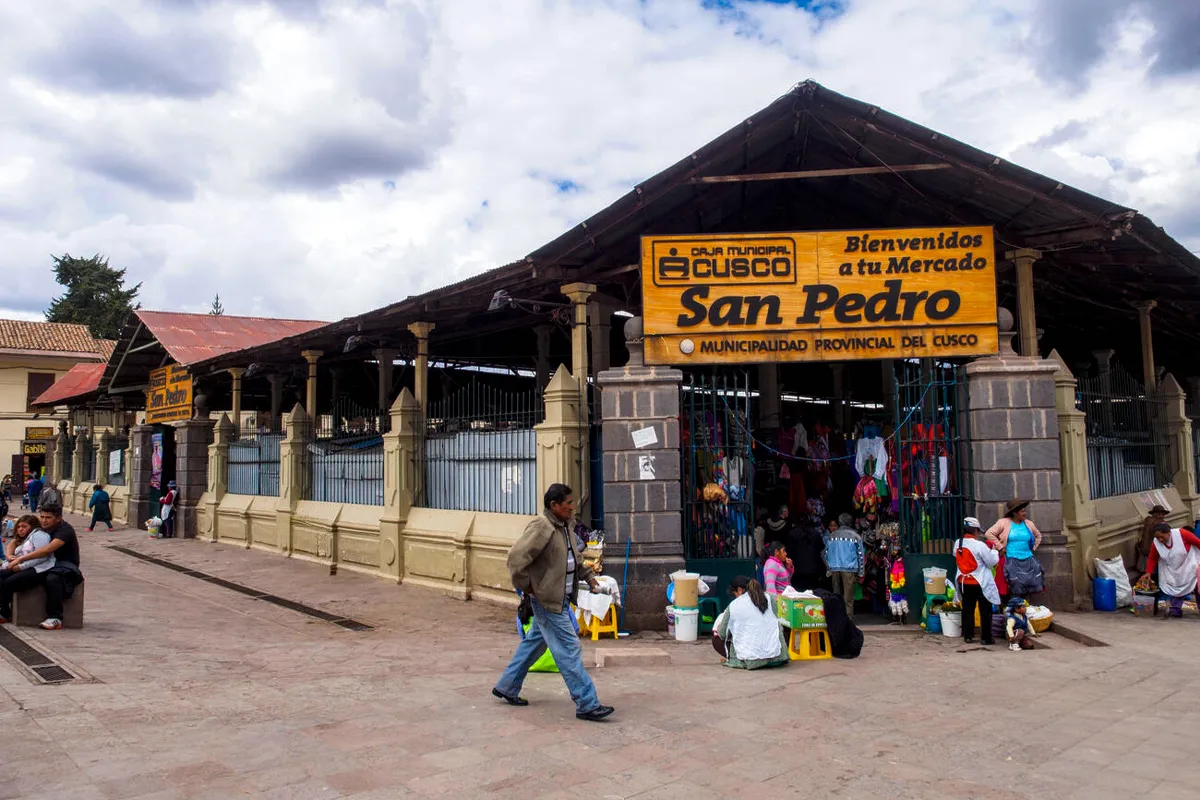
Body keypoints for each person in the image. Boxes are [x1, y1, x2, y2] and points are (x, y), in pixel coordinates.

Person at [493, 483, 614, 722]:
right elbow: (516, 559)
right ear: (554, 505)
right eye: (568, 503)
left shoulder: (565, 526)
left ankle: (507, 686)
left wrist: (590, 580)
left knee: (535, 644)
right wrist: (529, 588)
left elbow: (574, 559)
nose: (573, 507)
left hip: (560, 597)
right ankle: (587, 703)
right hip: (548, 601)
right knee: (569, 649)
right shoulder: (542, 527)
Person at [0, 494, 82, 630]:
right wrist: (9, 556)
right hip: (42, 563)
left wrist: (20, 560)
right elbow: (14, 541)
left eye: (48, 518)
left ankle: (55, 617)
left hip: (64, 565)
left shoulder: (64, 530)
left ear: (59, 518)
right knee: (4, 576)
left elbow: (46, 551)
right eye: (42, 517)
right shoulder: (40, 527)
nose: (44, 521)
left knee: (52, 580)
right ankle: (4, 611)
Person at [711, 576, 788, 670]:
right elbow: (778, 620)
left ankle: (737, 658)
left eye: (734, 594)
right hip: (778, 658)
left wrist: (720, 627)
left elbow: (723, 634)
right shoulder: (770, 597)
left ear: (739, 590)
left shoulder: (733, 606)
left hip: (753, 661)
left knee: (716, 640)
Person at [954, 517, 999, 645]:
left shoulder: (958, 543)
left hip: (964, 582)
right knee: (985, 610)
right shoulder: (979, 545)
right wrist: (995, 552)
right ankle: (986, 638)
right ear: (974, 530)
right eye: (978, 531)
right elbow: (991, 561)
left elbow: (955, 555)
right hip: (979, 582)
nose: (978, 533)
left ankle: (968, 636)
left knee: (968, 609)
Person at [986, 499, 1044, 597]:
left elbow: (1038, 536)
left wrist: (1033, 548)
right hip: (1011, 558)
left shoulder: (1028, 524)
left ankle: (1023, 604)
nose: (1025, 513)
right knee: (1015, 582)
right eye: (1022, 511)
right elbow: (989, 533)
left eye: (1025, 511)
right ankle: (1013, 604)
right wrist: (1000, 547)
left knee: (1030, 580)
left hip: (1027, 558)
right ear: (1014, 513)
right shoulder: (1003, 522)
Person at [1144, 522, 1200, 618]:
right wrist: (1148, 572)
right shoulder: (1156, 543)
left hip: (1190, 563)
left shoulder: (1182, 534)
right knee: (1175, 586)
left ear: (1169, 533)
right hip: (1173, 567)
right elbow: (1152, 558)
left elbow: (1198, 543)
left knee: (1197, 586)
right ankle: (1175, 609)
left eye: (1162, 537)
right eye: (1158, 538)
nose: (1160, 540)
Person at [824, 513, 865, 618]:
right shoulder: (855, 536)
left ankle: (837, 618)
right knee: (849, 598)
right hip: (849, 569)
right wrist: (861, 572)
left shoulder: (832, 536)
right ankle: (848, 619)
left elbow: (826, 554)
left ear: (840, 522)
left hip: (834, 568)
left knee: (836, 595)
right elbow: (860, 555)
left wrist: (829, 569)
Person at [1134, 504, 1169, 579]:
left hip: (1145, 552)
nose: (1162, 516)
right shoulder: (1161, 525)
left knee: (1148, 574)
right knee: (1156, 575)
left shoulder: (1147, 523)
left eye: (1163, 514)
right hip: (1155, 553)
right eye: (1161, 514)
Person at [761, 540, 793, 611]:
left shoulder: (778, 563)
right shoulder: (772, 564)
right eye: (784, 551)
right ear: (776, 552)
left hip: (784, 601)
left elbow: (785, 581)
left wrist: (789, 568)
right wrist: (776, 604)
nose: (786, 554)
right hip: (780, 603)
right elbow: (770, 585)